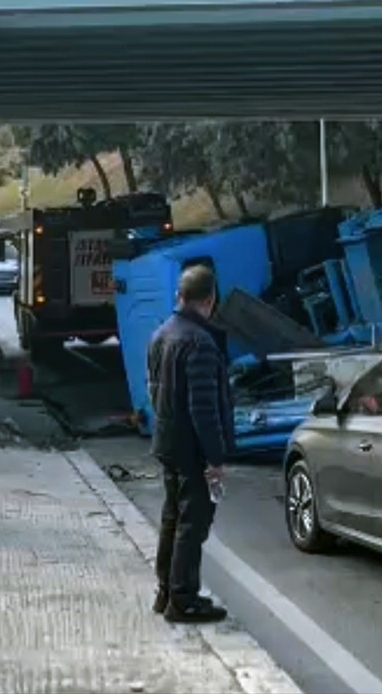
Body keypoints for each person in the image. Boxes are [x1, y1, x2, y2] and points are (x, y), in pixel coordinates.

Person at [146, 264, 232, 624]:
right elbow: (203, 408)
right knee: (192, 523)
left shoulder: (161, 334)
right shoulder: (200, 343)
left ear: (179, 296)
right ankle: (183, 599)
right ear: (210, 299)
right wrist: (215, 456)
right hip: (191, 449)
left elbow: (153, 390)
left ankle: (165, 590)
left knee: (171, 518)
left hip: (168, 442)